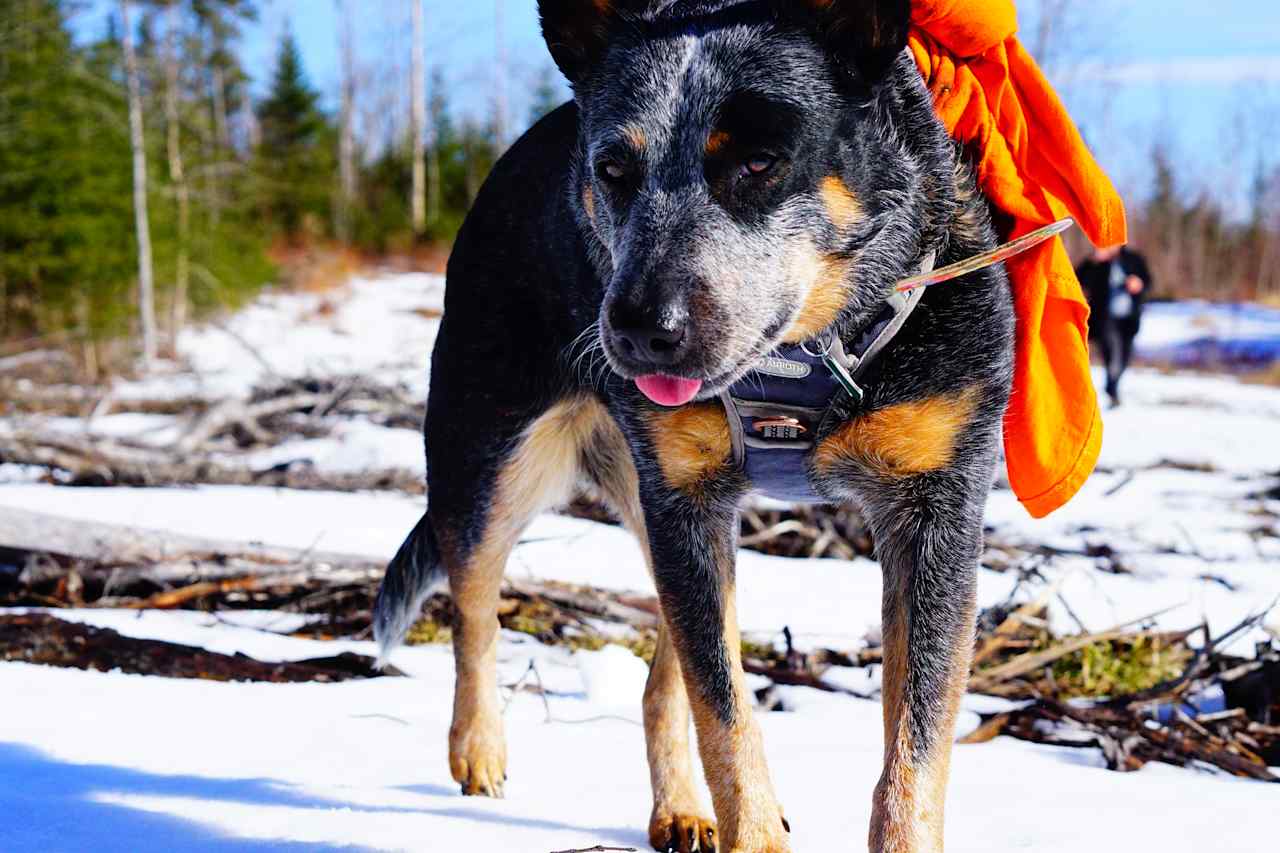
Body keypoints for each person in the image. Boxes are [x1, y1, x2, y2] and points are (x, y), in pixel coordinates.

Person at [1077, 244, 1152, 406]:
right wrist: (1093, 262)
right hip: (1105, 319)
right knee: (1113, 354)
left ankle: (1112, 387)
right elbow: (1078, 279)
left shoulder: (1133, 259)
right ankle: (1112, 391)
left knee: (1124, 358)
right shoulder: (1097, 262)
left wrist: (1138, 283)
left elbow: (1147, 280)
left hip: (1129, 319)